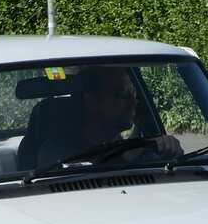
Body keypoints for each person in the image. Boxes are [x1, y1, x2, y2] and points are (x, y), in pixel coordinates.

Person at [36, 67, 181, 167]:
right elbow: (85, 171)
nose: (134, 101)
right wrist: (135, 149)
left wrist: (170, 148)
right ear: (91, 102)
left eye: (133, 92)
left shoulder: (118, 142)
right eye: (122, 93)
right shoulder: (54, 152)